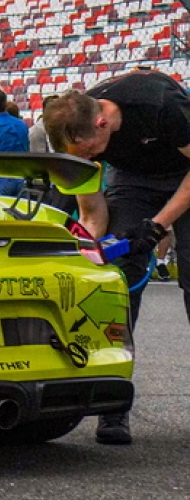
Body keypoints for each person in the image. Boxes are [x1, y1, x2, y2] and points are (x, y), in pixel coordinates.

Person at [43, 70, 190, 445]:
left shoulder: (160, 105)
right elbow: (92, 215)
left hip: (184, 171)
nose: (92, 157)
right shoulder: (77, 135)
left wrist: (157, 227)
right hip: (134, 180)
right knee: (119, 283)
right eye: (83, 157)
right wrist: (89, 257)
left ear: (102, 121)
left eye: (92, 150)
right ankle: (113, 406)